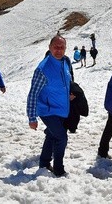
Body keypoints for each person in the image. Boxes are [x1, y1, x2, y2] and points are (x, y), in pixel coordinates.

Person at [27, 35, 71, 177]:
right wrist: (32, 117)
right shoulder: (43, 68)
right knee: (61, 138)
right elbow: (33, 93)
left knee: (52, 136)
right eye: (55, 47)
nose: (58, 50)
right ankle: (59, 169)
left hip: (62, 109)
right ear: (49, 47)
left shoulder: (65, 62)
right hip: (47, 110)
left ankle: (44, 162)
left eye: (61, 47)